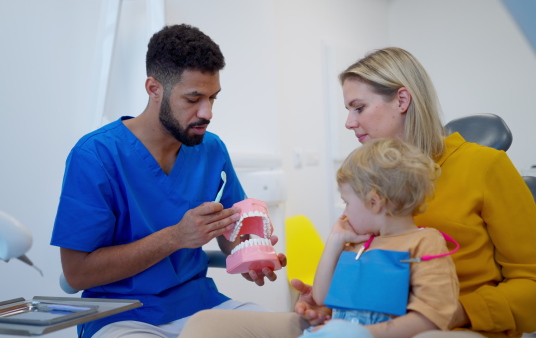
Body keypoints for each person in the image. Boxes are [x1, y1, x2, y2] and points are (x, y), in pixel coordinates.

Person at [178, 47, 536, 338]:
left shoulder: (485, 166)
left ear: (402, 100)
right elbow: (351, 265)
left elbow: (531, 284)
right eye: (348, 110)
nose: (349, 123)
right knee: (209, 327)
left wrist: (449, 311)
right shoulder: (365, 175)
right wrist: (330, 303)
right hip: (359, 322)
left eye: (359, 108)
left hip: (452, 328)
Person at [50, 24, 286, 338]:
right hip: (121, 315)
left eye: (213, 98)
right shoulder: (95, 155)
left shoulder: (211, 148)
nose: (208, 112)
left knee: (290, 331)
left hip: (200, 305)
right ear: (154, 88)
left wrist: (248, 251)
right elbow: (77, 273)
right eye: (194, 99)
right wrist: (175, 237)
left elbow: (230, 231)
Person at [306, 137, 459, 338]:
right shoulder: (359, 243)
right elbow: (322, 297)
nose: (345, 213)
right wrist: (335, 240)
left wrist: (358, 334)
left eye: (347, 202)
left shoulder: (425, 242)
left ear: (374, 201)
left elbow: (431, 318)